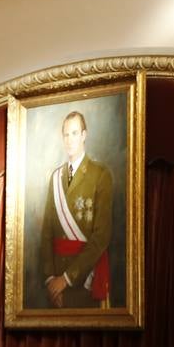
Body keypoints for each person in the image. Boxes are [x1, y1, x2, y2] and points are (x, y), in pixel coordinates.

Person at [38, 110, 114, 309]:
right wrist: (50, 281)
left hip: (84, 281)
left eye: (74, 133)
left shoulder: (100, 175)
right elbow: (46, 233)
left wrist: (66, 279)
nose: (69, 139)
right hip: (56, 285)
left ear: (84, 135)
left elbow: (101, 237)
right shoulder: (55, 178)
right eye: (66, 134)